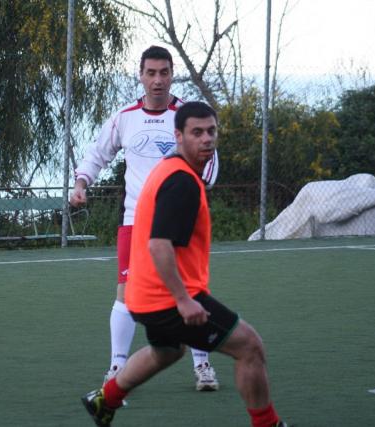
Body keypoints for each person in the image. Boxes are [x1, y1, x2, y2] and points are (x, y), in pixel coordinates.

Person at [81, 102, 289, 427]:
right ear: (178, 136)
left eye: (211, 131)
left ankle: (104, 400)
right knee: (250, 347)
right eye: (197, 132)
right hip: (166, 299)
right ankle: (268, 424)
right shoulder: (182, 182)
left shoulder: (170, 169)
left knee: (167, 351)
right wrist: (183, 300)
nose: (206, 139)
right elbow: (159, 245)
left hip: (144, 296)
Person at [70, 45, 220, 391]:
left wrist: (194, 187)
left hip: (180, 219)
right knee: (125, 292)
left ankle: (202, 365)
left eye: (164, 72)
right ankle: (116, 368)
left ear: (172, 75)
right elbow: (97, 154)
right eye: (150, 73)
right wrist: (80, 184)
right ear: (140, 76)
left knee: (191, 290)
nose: (157, 80)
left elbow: (210, 160)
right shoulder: (125, 117)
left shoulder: (186, 115)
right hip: (135, 219)